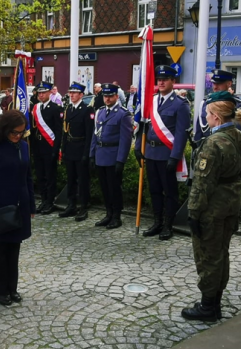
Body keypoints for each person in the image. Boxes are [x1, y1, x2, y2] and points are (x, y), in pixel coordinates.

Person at [181, 91, 241, 321]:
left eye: (208, 114)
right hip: (231, 202)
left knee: (208, 255)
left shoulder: (214, 142)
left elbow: (202, 183)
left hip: (212, 207)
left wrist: (193, 212)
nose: (206, 117)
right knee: (222, 252)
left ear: (216, 116)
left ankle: (208, 306)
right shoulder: (240, 136)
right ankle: (215, 301)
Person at [0, 110, 36, 306]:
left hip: (20, 203)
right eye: (14, 132)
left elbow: (27, 176)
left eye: (21, 133)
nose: (17, 136)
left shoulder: (22, 146)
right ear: (5, 130)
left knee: (14, 248)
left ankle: (12, 288)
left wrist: (31, 204)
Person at [136, 65, 191, 240]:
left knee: (170, 192)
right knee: (154, 190)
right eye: (158, 79)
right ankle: (157, 221)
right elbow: (143, 125)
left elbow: (181, 133)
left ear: (173, 82)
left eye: (165, 79)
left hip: (167, 153)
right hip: (151, 152)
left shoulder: (180, 104)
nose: (160, 82)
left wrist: (175, 156)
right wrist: (138, 146)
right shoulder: (151, 101)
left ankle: (168, 225)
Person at [90, 83, 133, 229]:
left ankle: (116, 216)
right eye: (105, 96)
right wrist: (92, 154)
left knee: (114, 188)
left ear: (116, 96)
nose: (107, 99)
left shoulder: (123, 114)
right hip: (101, 154)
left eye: (110, 96)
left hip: (113, 156)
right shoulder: (100, 112)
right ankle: (108, 213)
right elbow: (95, 135)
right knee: (104, 187)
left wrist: (121, 160)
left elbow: (125, 140)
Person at [58, 82, 94, 221]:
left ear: (81, 95)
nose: (71, 95)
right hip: (70, 149)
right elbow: (65, 132)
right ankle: (71, 205)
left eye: (74, 93)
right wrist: (64, 150)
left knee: (83, 180)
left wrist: (87, 154)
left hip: (81, 148)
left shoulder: (87, 110)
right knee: (71, 179)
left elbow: (89, 134)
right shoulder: (68, 109)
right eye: (70, 92)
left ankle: (84, 207)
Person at [30, 81, 63, 214]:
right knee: (40, 175)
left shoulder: (56, 108)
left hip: (49, 147)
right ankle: (43, 200)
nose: (41, 95)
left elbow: (58, 131)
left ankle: (50, 201)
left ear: (50, 92)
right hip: (38, 147)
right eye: (39, 93)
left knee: (50, 176)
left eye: (44, 92)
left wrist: (56, 149)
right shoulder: (36, 108)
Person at [194, 69, 241, 144]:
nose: (215, 87)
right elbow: (199, 134)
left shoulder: (236, 104)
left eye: (219, 84)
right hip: (206, 149)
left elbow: (239, 135)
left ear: (229, 84)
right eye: (213, 83)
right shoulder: (205, 103)